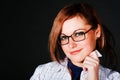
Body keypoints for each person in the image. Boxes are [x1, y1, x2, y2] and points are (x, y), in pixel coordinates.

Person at [30, 2, 120, 80]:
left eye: (78, 34)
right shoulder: (43, 73)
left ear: (97, 32)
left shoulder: (114, 78)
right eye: (64, 37)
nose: (71, 45)